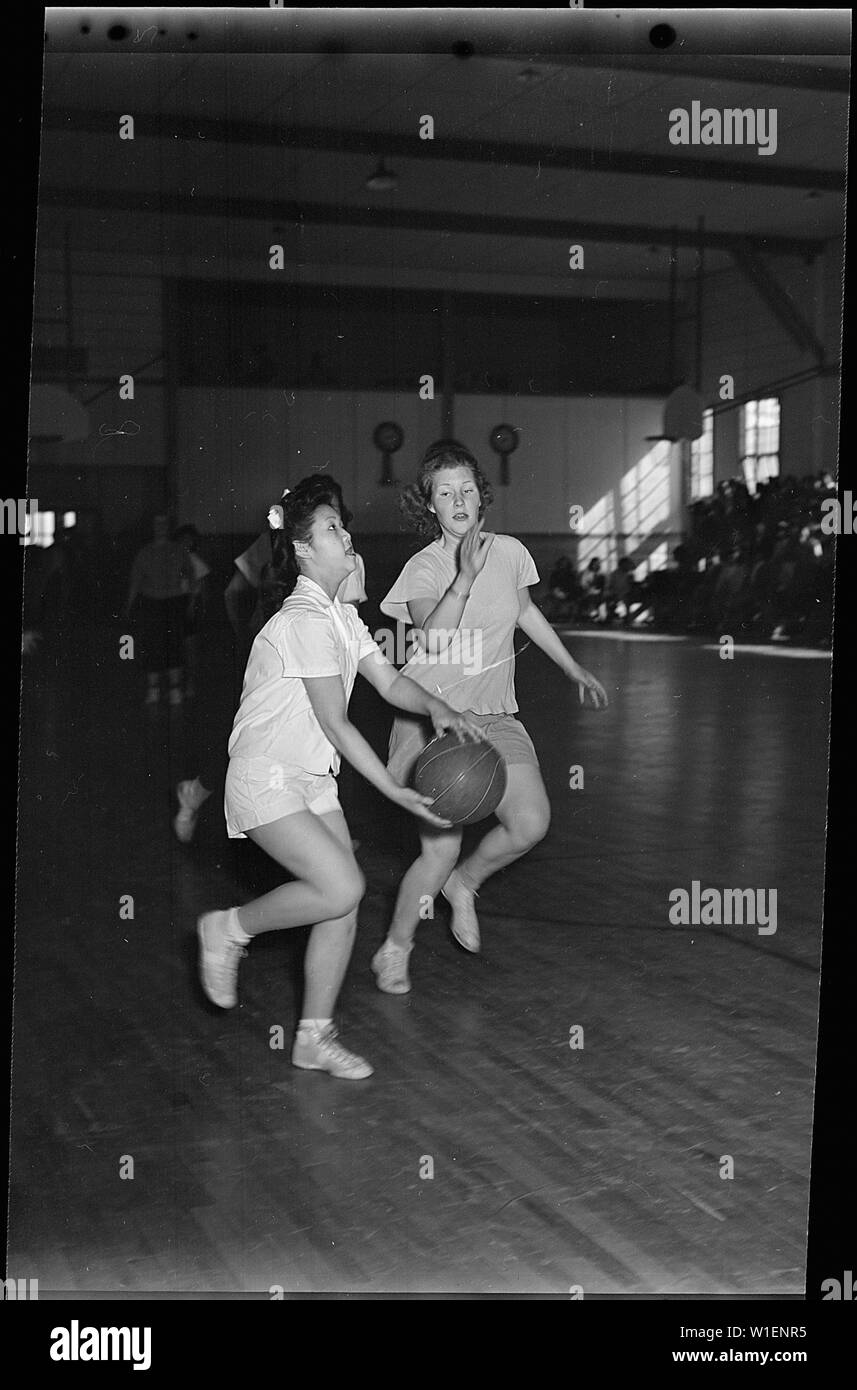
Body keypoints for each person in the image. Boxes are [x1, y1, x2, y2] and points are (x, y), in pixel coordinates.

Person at [196, 475, 482, 1079]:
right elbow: (337, 723)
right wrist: (396, 790)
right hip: (266, 776)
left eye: (342, 525)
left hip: (311, 780)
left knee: (341, 905)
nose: (344, 534)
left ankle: (313, 1037)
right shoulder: (301, 617)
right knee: (342, 887)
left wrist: (439, 707)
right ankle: (229, 928)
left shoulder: (342, 619)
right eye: (330, 528)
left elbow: (390, 682)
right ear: (302, 549)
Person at [370, 441, 608, 996]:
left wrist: (572, 666)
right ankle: (395, 950)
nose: (458, 500)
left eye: (467, 489)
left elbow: (524, 611)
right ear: (429, 504)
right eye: (445, 492)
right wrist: (464, 577)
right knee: (440, 846)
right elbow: (432, 638)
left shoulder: (510, 552)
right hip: (432, 718)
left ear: (483, 495)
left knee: (530, 824)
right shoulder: (423, 568)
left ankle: (465, 886)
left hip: (495, 712)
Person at [174, 477, 367, 843]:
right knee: (252, 743)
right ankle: (196, 793)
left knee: (329, 737)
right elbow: (233, 592)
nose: (335, 518)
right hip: (276, 665)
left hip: (320, 666)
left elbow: (350, 618)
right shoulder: (276, 544)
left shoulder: (346, 556)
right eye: (324, 510)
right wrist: (247, 639)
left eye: (337, 512)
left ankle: (329, 829)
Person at [126, 514, 194, 705]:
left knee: (174, 646)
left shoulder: (179, 551)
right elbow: (135, 582)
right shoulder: (144, 553)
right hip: (152, 604)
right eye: (157, 523)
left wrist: (189, 602)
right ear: (153, 527)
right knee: (152, 647)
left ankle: (175, 689)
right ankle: (154, 689)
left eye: (165, 523)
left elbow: (190, 576)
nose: (161, 527)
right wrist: (129, 606)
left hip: (173, 604)